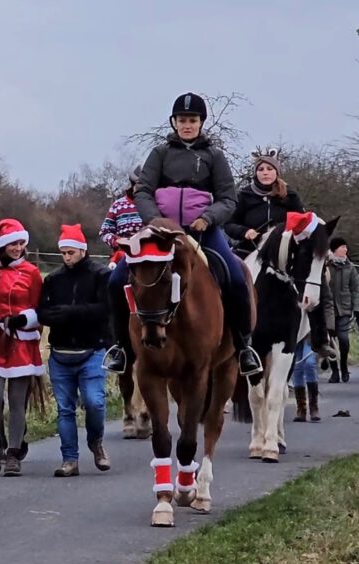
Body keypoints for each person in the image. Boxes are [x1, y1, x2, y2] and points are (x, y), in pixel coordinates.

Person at [103, 92, 260, 377]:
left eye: (193, 120)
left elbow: (228, 199)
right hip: (160, 232)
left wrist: (207, 218)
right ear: (174, 122)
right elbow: (144, 191)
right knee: (116, 278)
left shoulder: (214, 156)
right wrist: (155, 221)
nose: (187, 125)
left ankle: (244, 345)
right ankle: (121, 348)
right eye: (182, 120)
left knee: (236, 277)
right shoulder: (160, 154)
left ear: (201, 123)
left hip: (203, 232)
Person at [37, 224, 112, 477]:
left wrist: (72, 312)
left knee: (94, 402)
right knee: (65, 409)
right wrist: (52, 317)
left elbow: (105, 308)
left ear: (83, 250)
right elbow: (42, 311)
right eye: (63, 253)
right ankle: (70, 459)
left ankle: (96, 441)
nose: (67, 258)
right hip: (60, 352)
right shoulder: (53, 279)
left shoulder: (101, 275)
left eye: (71, 252)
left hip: (92, 349)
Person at [0, 219, 43, 477]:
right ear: (2, 246)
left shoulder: (32, 272)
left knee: (17, 402)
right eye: (12, 244)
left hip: (21, 340)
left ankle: (13, 453)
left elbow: (40, 307)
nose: (17, 248)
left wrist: (24, 319)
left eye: (20, 243)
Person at [224, 148, 304, 258]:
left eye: (269, 169)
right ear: (256, 173)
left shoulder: (290, 196)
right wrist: (244, 232)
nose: (265, 172)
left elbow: (302, 223)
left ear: (276, 172)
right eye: (260, 169)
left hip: (283, 254)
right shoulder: (245, 195)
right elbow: (229, 224)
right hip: (248, 251)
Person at [326, 236, 359, 383]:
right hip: (328, 310)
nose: (346, 249)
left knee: (344, 340)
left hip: (344, 309)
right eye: (342, 247)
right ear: (335, 249)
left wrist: (356, 307)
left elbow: (355, 289)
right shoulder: (326, 266)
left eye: (346, 247)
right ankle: (334, 372)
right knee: (330, 342)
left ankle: (344, 366)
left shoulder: (350, 267)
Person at [99, 165, 145, 252]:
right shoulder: (118, 205)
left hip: (150, 255)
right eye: (139, 186)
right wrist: (117, 242)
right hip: (125, 253)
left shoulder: (156, 204)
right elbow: (104, 232)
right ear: (133, 185)